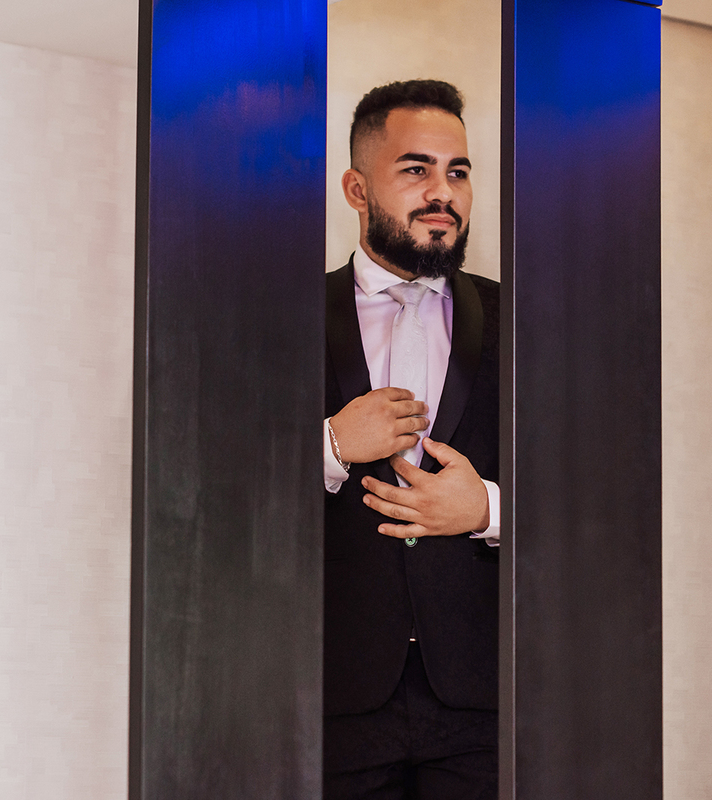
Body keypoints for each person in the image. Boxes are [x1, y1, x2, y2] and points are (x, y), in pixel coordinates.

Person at [322, 79, 500, 800]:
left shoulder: (529, 319)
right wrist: (332, 444)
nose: (442, 193)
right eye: (416, 169)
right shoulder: (281, 315)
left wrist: (485, 509)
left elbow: (593, 492)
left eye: (457, 172)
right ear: (357, 189)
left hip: (485, 698)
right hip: (332, 694)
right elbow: (215, 483)